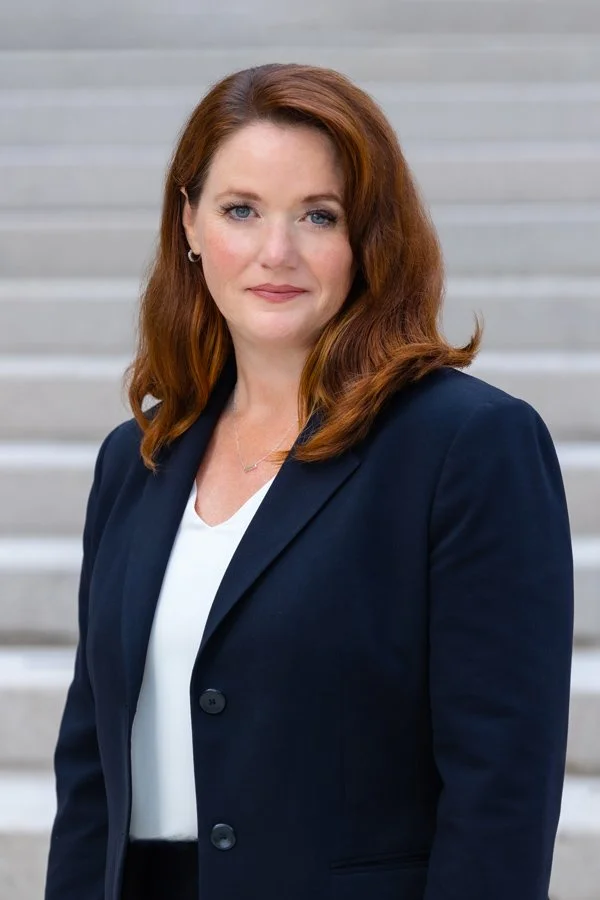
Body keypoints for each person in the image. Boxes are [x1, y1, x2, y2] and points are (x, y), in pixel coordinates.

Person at [43, 63, 574, 900]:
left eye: (318, 216)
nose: (275, 253)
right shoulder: (137, 458)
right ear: (189, 224)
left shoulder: (468, 446)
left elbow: (502, 785)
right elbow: (90, 773)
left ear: (370, 238)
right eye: (241, 210)